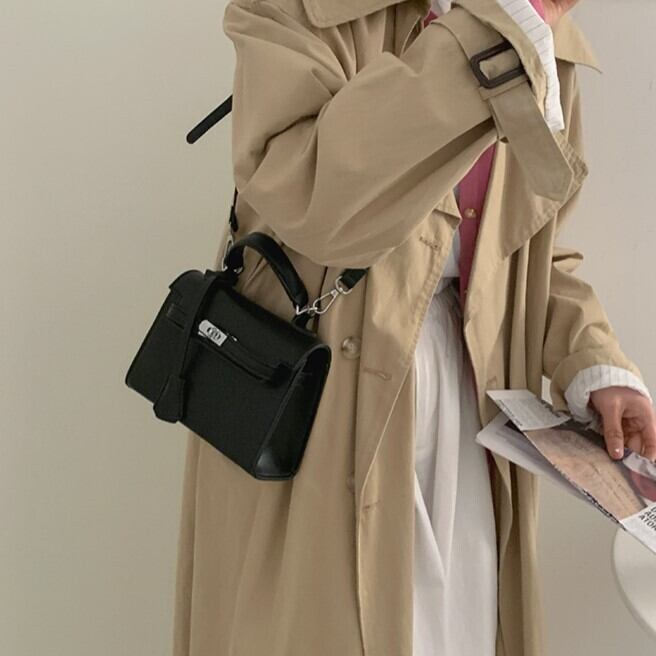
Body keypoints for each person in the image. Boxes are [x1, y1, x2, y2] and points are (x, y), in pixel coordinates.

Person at [173, 1, 656, 655]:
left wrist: (594, 362)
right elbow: (316, 202)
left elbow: (527, 251)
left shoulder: (544, 36)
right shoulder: (300, 11)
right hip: (318, 403)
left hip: (468, 408)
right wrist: (502, 29)